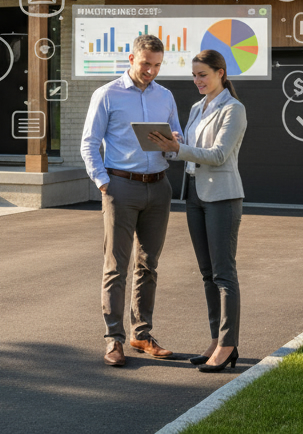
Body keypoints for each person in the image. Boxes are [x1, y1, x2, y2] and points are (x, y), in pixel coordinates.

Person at [81, 34, 183, 368]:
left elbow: (178, 138)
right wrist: (102, 182)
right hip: (121, 187)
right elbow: (89, 143)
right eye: (145, 64)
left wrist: (175, 142)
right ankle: (114, 339)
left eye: (157, 65)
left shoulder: (165, 96)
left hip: (159, 186)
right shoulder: (107, 94)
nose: (151, 71)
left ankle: (142, 333)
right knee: (116, 267)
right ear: (131, 59)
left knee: (148, 265)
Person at [147, 49, 247, 373]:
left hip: (222, 196)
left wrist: (179, 147)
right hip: (193, 194)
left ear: (221, 73)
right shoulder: (196, 107)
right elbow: (190, 151)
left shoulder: (234, 109)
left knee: (223, 274)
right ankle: (216, 340)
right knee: (207, 274)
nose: (197, 80)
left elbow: (218, 155)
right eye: (194, 75)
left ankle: (228, 344)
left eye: (202, 74)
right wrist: (172, 143)